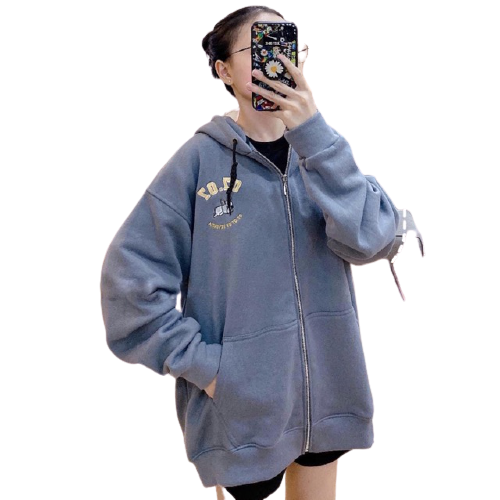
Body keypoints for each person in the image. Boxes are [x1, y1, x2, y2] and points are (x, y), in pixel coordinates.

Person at [100, 5, 400, 500]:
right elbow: (128, 284)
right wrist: (212, 370)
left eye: (288, 48)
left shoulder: (320, 153)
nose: (279, 63)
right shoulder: (198, 162)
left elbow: (374, 238)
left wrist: (315, 136)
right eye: (261, 49)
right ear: (223, 70)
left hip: (329, 394)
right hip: (241, 411)